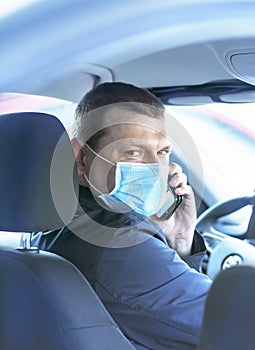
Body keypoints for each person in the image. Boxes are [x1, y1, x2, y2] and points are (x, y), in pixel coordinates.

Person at [32, 82, 212, 349]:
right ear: (81, 158)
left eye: (162, 152)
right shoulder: (122, 245)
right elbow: (234, 323)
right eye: (134, 152)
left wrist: (179, 240)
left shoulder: (52, 227)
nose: (156, 167)